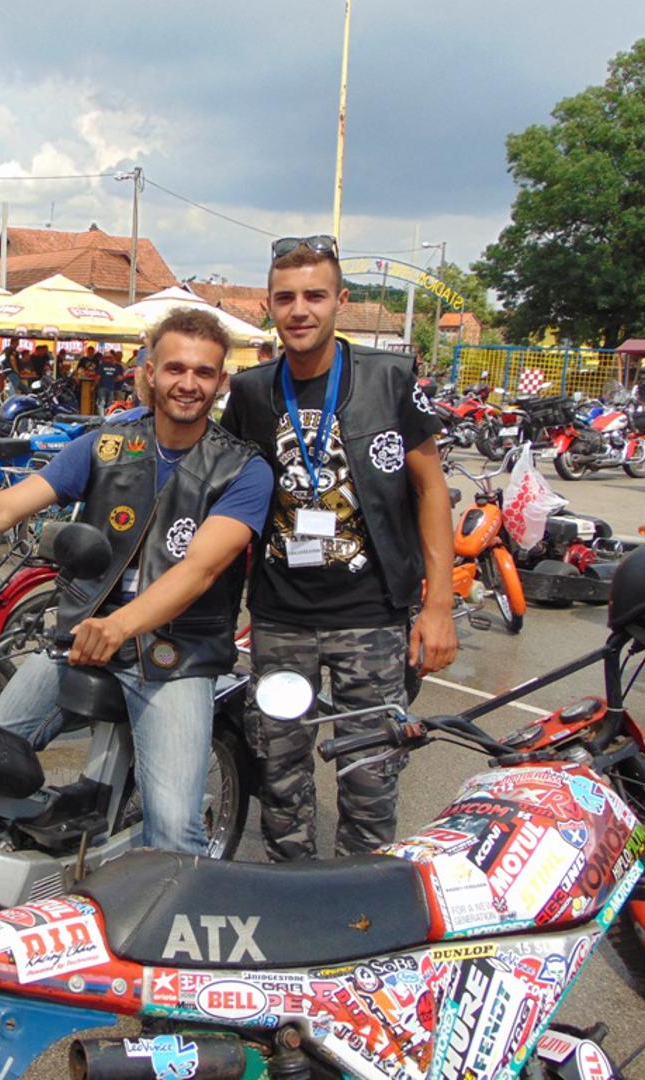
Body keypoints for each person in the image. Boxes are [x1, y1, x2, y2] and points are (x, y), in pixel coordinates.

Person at [0, 307, 274, 922]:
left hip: (174, 655)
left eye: (204, 372)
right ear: (149, 372)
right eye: (175, 368)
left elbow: (200, 570)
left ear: (222, 381)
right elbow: (5, 506)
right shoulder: (107, 445)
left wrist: (121, 625)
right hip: (81, 640)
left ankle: (167, 943)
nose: (188, 383)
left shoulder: (243, 468)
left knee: (175, 829)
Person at [220, 234, 458, 862]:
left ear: (340, 301)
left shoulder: (389, 379)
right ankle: (291, 888)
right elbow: (224, 494)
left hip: (373, 616)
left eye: (315, 296)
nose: (300, 310)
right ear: (268, 306)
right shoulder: (250, 392)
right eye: (285, 298)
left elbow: (432, 490)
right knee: (280, 772)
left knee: (371, 776)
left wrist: (438, 606)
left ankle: (361, 898)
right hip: (281, 618)